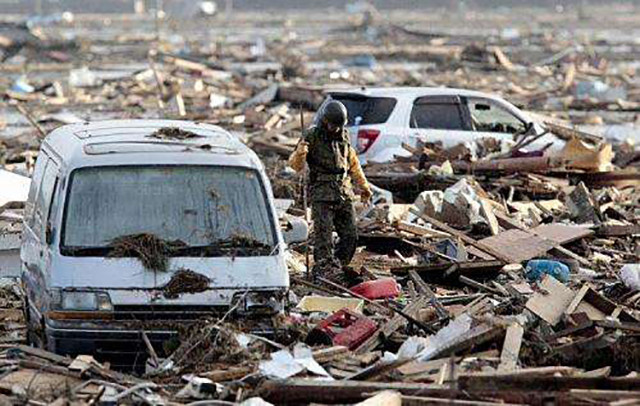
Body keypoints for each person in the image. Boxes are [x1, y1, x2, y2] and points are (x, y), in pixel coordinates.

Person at [288, 100, 373, 279]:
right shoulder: (311, 136)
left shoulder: (344, 135)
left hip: (344, 191)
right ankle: (324, 272)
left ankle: (338, 268)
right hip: (322, 193)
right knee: (323, 239)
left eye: (338, 126)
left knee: (350, 236)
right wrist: (301, 153)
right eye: (332, 125)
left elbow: (353, 163)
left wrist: (364, 186)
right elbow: (295, 166)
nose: (335, 129)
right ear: (325, 121)